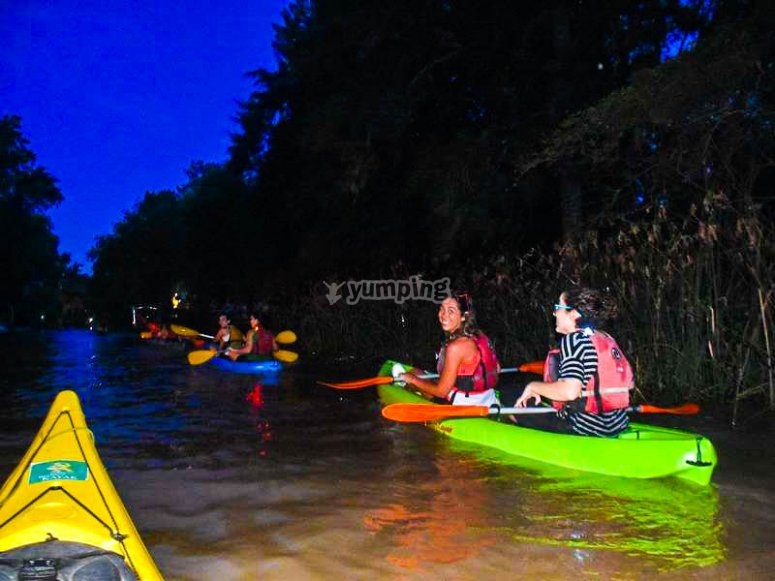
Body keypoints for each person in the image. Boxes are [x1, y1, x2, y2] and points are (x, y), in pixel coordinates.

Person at [514, 287, 634, 436]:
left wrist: (533, 387)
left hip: (583, 428)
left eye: (558, 307)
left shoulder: (574, 339)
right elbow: (629, 384)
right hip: (618, 425)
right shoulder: (605, 337)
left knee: (514, 404)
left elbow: (569, 392)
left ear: (574, 314)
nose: (554, 313)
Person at [398, 291, 501, 407]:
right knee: (417, 372)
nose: (443, 315)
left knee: (414, 375)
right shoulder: (481, 335)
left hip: (463, 403)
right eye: (442, 309)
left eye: (451, 311)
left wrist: (412, 380)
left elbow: (441, 392)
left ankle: (408, 389)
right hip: (489, 399)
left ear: (463, 316)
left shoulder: (455, 347)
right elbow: (496, 368)